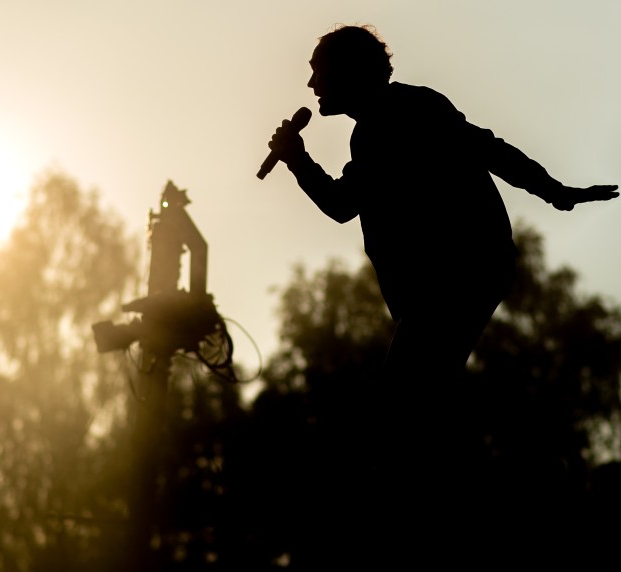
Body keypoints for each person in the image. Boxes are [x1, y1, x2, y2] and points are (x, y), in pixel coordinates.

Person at [265, 24, 618, 520]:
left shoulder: (406, 113)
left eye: (319, 74)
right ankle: (509, 487)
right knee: (422, 407)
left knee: (400, 408)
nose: (312, 87)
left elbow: (484, 150)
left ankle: (474, 501)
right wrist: (298, 161)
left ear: (350, 73)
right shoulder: (376, 129)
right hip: (455, 280)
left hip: (458, 276)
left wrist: (554, 191)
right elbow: (347, 203)